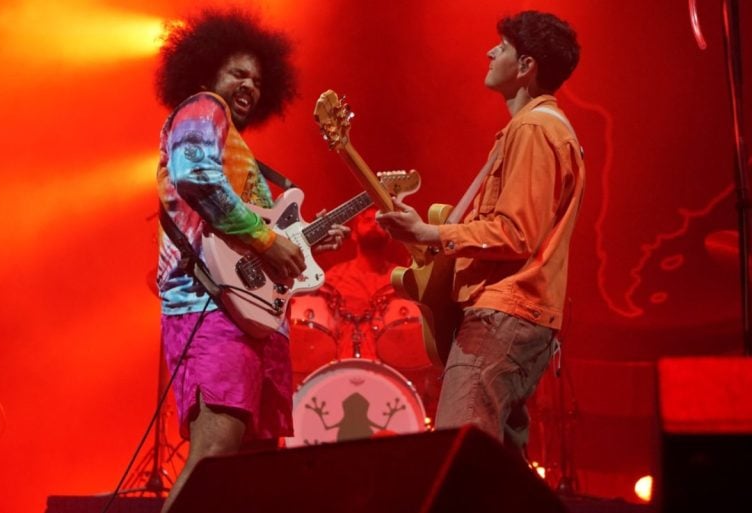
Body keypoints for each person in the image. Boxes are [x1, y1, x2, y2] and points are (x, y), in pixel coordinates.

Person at [154, 9, 348, 512]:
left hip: (253, 318)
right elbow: (196, 178)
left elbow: (258, 232)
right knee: (214, 456)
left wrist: (300, 246)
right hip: (210, 310)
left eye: (258, 80)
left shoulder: (240, 148)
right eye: (238, 72)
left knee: (253, 468)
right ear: (207, 71)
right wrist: (267, 242)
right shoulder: (203, 107)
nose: (249, 85)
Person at [376, 10, 584, 460]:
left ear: (526, 65)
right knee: (498, 473)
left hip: (503, 313)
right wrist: (427, 234)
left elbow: (515, 233)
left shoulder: (533, 128)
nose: (490, 52)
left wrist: (431, 231)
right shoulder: (532, 128)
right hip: (515, 313)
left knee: (461, 460)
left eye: (503, 47)